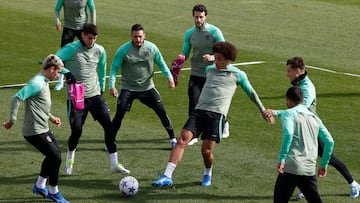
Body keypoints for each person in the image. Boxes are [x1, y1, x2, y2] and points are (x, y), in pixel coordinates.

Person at [152, 41, 274, 187]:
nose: (216, 62)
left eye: (219, 59)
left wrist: (263, 110)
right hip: (199, 112)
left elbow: (251, 93)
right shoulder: (209, 69)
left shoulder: (238, 75)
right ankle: (167, 176)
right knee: (182, 140)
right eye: (215, 58)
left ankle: (207, 172)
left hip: (216, 116)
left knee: (206, 151)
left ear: (228, 59)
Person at [268, 56, 360, 199]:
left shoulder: (307, 88)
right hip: (304, 128)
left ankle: (353, 183)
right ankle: (305, 185)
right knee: (307, 157)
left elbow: (299, 109)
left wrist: (276, 112)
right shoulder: (298, 84)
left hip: (311, 129)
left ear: (297, 71)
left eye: (289, 70)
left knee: (327, 157)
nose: (287, 74)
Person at [56, 23, 130, 175]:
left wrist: (102, 89)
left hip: (95, 95)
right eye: (90, 38)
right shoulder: (71, 49)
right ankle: (70, 157)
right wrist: (66, 72)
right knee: (76, 131)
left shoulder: (100, 50)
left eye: (95, 38)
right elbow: (53, 60)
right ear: (82, 35)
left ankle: (114, 163)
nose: (92, 42)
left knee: (109, 127)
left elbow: (102, 70)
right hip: (77, 98)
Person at [2, 54, 69, 203]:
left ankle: (39, 186)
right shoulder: (37, 83)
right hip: (33, 131)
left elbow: (39, 105)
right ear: (52, 69)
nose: (59, 75)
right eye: (58, 72)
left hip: (42, 127)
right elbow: (17, 97)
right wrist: (12, 120)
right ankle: (53, 191)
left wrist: (52, 118)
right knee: (55, 157)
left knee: (54, 155)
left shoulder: (43, 80)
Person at [109, 24, 177, 148]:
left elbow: (161, 63)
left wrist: (170, 78)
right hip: (128, 88)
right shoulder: (123, 50)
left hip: (147, 87)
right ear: (131, 36)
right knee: (119, 114)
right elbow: (114, 68)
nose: (138, 39)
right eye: (135, 37)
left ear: (144, 35)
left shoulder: (152, 48)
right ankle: (110, 142)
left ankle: (172, 138)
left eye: (140, 37)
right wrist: (111, 86)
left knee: (161, 112)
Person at [170, 4, 228, 145]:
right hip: (196, 72)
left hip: (213, 73)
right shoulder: (190, 33)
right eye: (196, 17)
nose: (198, 20)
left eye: (201, 17)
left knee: (213, 102)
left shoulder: (214, 32)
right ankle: (194, 133)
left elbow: (225, 51)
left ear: (205, 17)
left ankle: (225, 123)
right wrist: (181, 56)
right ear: (193, 16)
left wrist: (213, 58)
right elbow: (185, 50)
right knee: (194, 101)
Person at [266, 86, 334, 203]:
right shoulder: (315, 118)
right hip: (309, 168)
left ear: (288, 100)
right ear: (302, 100)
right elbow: (329, 141)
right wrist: (323, 164)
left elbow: (288, 133)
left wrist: (282, 158)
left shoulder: (289, 114)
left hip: (292, 166)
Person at [54, 0, 96, 91]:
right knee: (63, 54)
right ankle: (60, 81)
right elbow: (57, 9)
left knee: (87, 51)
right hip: (68, 27)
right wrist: (57, 20)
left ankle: (88, 75)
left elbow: (92, 8)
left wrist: (93, 24)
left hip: (83, 27)